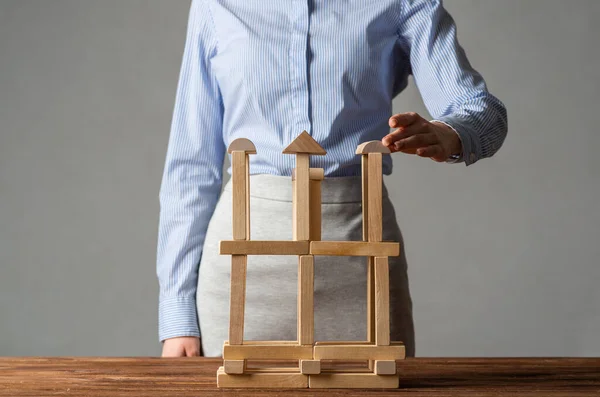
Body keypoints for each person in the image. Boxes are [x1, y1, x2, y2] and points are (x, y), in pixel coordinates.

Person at [157, 0, 507, 358]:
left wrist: (451, 134)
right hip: (240, 274)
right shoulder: (215, 5)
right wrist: (178, 312)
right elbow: (192, 165)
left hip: (363, 263)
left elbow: (482, 110)